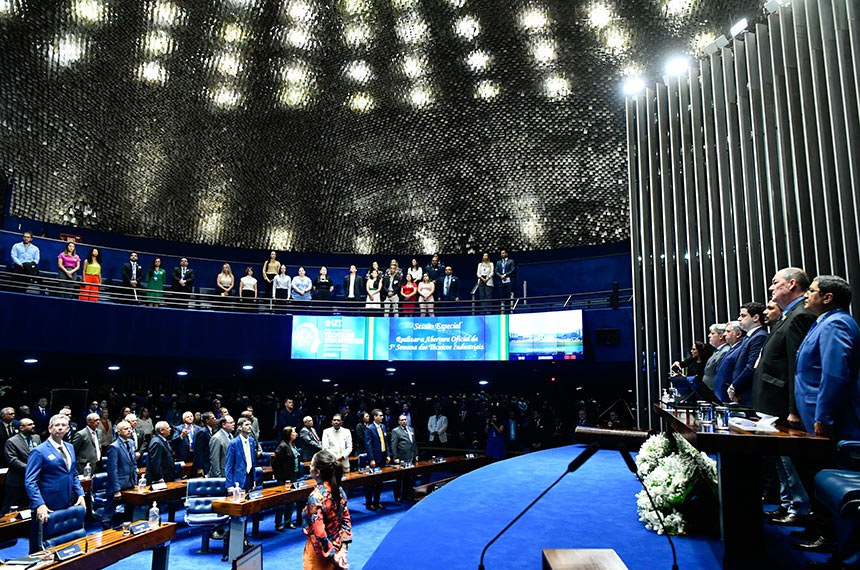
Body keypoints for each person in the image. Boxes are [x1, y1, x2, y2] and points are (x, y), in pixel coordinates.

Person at [792, 276, 860, 558]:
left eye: (811, 291)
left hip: (830, 418)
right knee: (817, 473)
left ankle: (832, 539)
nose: (807, 295)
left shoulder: (837, 323)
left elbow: (834, 373)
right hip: (814, 413)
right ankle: (824, 531)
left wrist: (824, 415)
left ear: (828, 298)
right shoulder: (824, 322)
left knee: (828, 474)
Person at [24, 414, 86, 553]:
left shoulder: (70, 447)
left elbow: (73, 474)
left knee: (65, 545)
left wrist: (80, 494)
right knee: (39, 549)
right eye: (56, 425)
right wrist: (39, 504)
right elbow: (30, 481)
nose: (60, 428)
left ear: (68, 428)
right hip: (47, 505)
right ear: (50, 428)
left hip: (68, 501)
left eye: (63, 425)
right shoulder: (39, 451)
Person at [302, 450, 351, 570]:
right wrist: (342, 550)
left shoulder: (315, 497)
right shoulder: (339, 491)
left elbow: (319, 534)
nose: (310, 467)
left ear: (317, 472)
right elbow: (346, 521)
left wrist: (334, 556)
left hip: (320, 555)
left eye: (312, 465)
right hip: (338, 547)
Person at [727, 302, 768, 406]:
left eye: (743, 315)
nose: (739, 319)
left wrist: (735, 386)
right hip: (743, 392)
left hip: (749, 393)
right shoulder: (749, 337)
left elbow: (751, 367)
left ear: (755, 317)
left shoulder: (759, 336)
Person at [102, 420, 137, 529]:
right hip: (118, 486)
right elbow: (112, 470)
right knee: (109, 514)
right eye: (126, 429)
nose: (129, 430)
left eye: (130, 428)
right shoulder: (114, 447)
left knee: (129, 512)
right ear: (119, 431)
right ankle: (105, 533)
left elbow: (133, 464)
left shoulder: (131, 442)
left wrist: (135, 482)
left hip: (130, 484)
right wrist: (116, 489)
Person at [3, 417, 39, 514]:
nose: (33, 426)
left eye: (33, 424)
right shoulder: (12, 441)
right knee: (11, 508)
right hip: (17, 480)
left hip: (32, 480)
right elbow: (13, 460)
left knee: (27, 507)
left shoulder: (36, 438)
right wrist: (31, 469)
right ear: (22, 428)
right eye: (30, 425)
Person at [273, 426, 303, 531]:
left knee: (291, 500)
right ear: (289, 434)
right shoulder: (282, 446)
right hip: (284, 478)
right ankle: (278, 523)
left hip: (293, 475)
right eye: (294, 432)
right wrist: (282, 477)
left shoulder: (292, 444)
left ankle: (288, 521)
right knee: (282, 501)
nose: (295, 433)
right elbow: (276, 464)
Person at [363, 409, 390, 510]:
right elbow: (368, 445)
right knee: (371, 483)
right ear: (375, 417)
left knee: (380, 482)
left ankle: (377, 501)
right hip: (374, 458)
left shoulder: (383, 427)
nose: (382, 417)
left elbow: (386, 442)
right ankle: (369, 503)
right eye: (380, 415)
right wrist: (371, 459)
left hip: (382, 457)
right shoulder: (369, 428)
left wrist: (387, 454)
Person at [713, 321, 745, 402]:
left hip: (730, 394)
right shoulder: (732, 348)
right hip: (721, 393)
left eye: (728, 331)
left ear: (738, 334)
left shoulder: (741, 348)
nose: (724, 334)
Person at [390, 414, 418, 503]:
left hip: (411, 457)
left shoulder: (411, 429)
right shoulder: (396, 431)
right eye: (402, 420)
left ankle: (407, 495)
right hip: (401, 458)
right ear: (399, 421)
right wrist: (395, 457)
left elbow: (414, 444)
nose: (404, 421)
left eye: (405, 420)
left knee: (409, 478)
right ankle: (398, 496)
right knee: (399, 479)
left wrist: (416, 455)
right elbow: (393, 446)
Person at [225, 417, 257, 492]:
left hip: (250, 478)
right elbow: (229, 465)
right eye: (246, 425)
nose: (250, 426)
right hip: (238, 479)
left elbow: (253, 462)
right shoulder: (233, 443)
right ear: (240, 427)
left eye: (250, 424)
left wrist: (254, 479)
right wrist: (229, 485)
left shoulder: (251, 441)